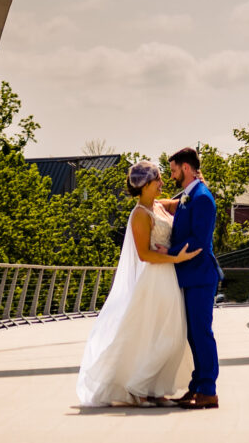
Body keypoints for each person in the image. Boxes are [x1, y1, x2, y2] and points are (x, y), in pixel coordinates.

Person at [72, 160, 201, 408]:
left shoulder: (158, 206)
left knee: (171, 334)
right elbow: (144, 254)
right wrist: (176, 257)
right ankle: (138, 388)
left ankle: (156, 389)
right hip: (154, 278)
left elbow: (183, 201)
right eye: (158, 181)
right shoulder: (140, 214)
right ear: (145, 185)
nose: (162, 184)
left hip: (168, 277)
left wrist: (197, 183)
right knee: (163, 335)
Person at [163, 147, 223, 409]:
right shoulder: (190, 195)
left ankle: (208, 390)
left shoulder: (201, 198)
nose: (172, 174)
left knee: (202, 333)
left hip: (200, 275)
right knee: (192, 334)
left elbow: (199, 241)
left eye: (174, 169)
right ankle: (197, 385)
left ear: (185, 168)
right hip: (189, 276)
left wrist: (168, 252)